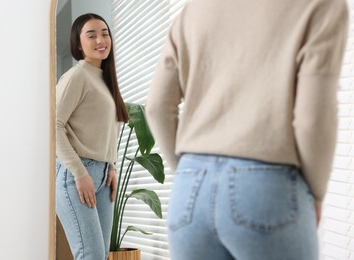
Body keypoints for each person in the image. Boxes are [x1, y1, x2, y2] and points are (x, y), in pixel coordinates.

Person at [146, 0, 349, 259]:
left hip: (190, 193)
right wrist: (315, 193)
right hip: (267, 188)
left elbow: (157, 107)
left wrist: (189, 173)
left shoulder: (195, 9)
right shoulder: (321, 4)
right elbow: (313, 119)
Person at [55, 13, 128, 260]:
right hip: (78, 175)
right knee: (91, 255)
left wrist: (113, 166)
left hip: (103, 176)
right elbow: (54, 126)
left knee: (99, 255)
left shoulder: (105, 79)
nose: (101, 39)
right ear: (78, 44)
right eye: (92, 35)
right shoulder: (77, 76)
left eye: (105, 33)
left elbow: (107, 129)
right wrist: (79, 172)